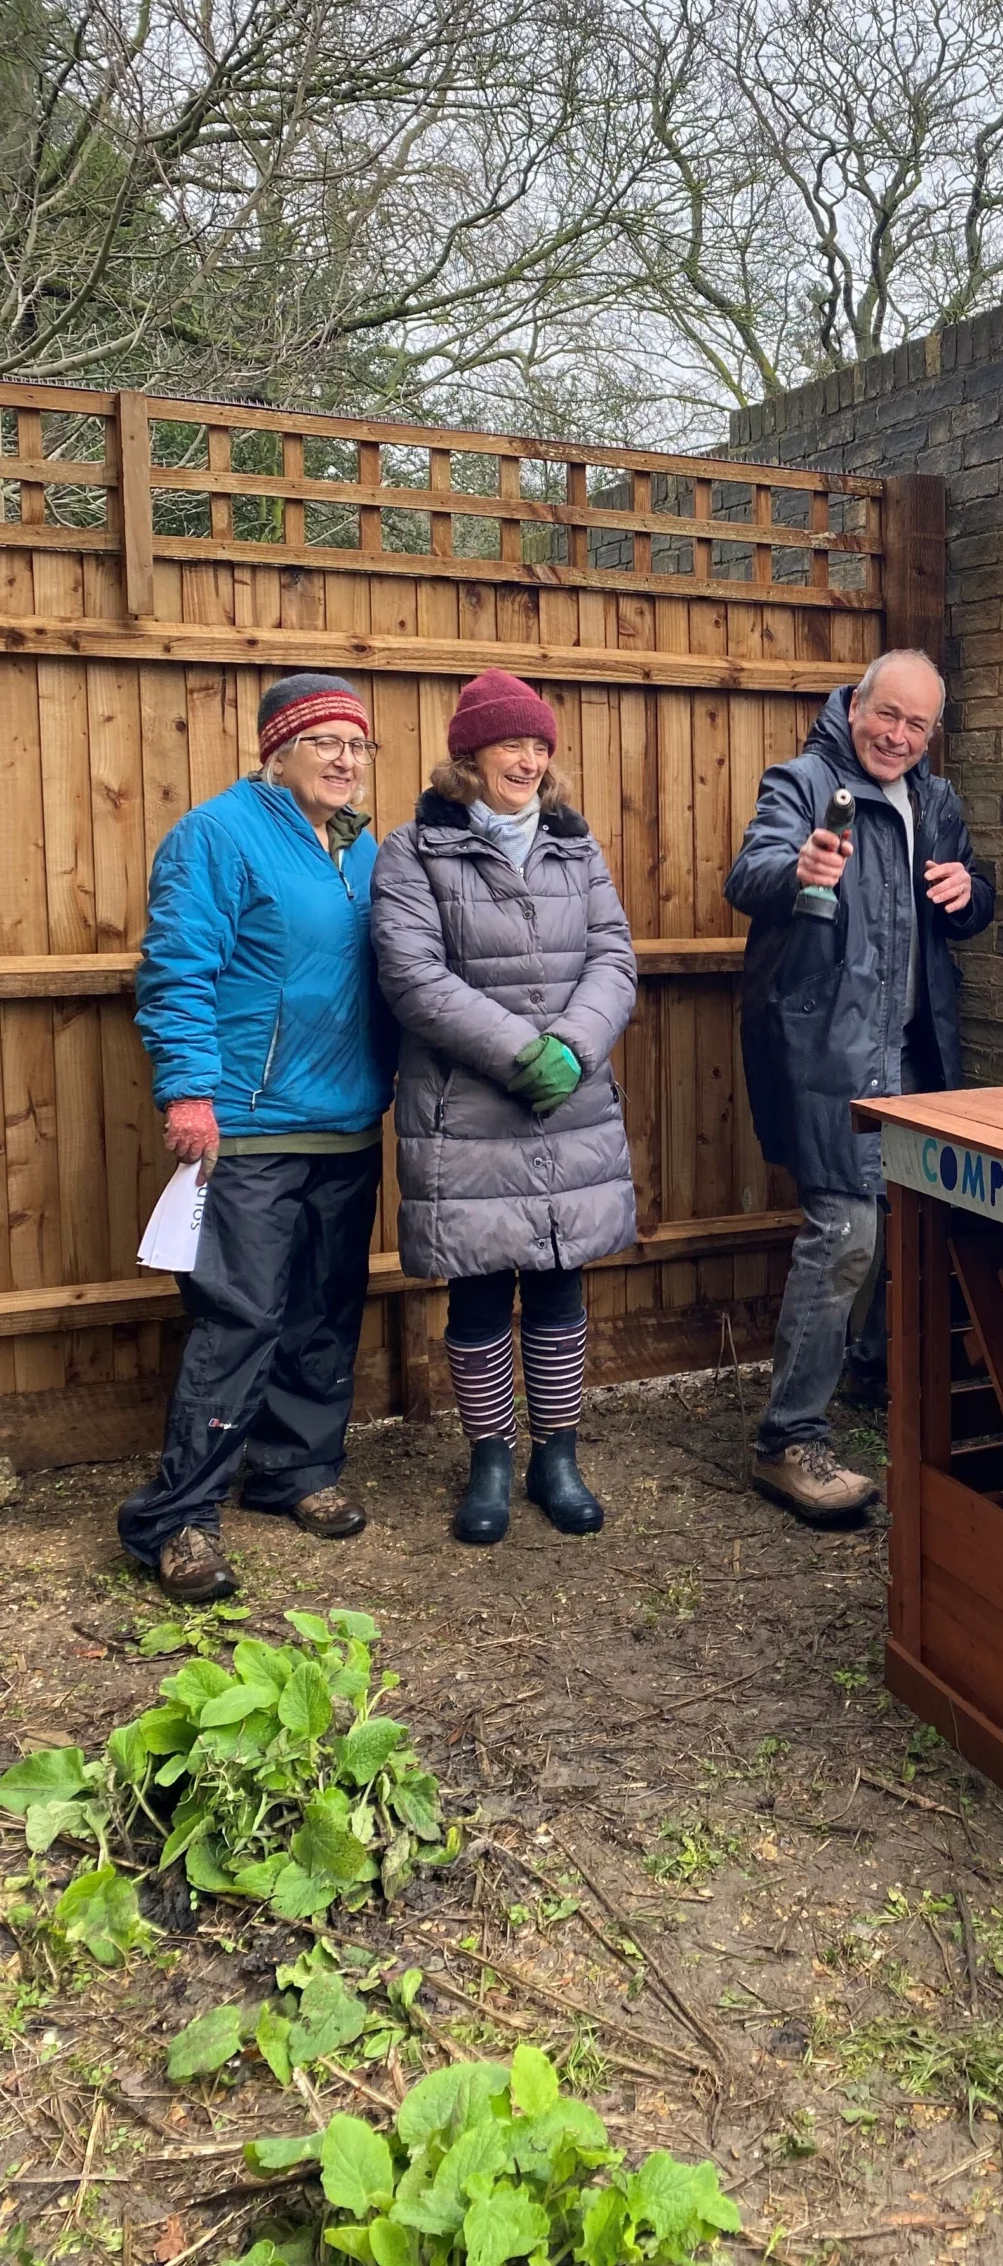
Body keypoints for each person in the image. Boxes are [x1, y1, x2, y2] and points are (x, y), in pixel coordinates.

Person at [118, 673, 393, 1602]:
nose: (347, 761)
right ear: (278, 751)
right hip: (251, 1124)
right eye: (327, 743)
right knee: (240, 1318)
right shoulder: (217, 836)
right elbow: (177, 969)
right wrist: (190, 1092)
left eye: (359, 746)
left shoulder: (362, 852)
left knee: (324, 1311)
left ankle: (295, 1472)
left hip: (348, 1121)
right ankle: (178, 1519)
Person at [727, 650, 994, 1523]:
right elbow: (749, 876)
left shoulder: (938, 800)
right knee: (843, 1230)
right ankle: (787, 1441)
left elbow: (971, 909)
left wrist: (970, 893)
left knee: (905, 1227)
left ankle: (878, 1384)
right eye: (887, 715)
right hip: (830, 1048)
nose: (898, 736)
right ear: (853, 706)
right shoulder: (802, 783)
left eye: (918, 725)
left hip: (917, 1051)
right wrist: (799, 868)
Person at [371, 670, 637, 1545]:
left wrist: (574, 1046)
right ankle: (489, 1460)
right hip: (467, 1109)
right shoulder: (415, 851)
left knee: (560, 1284)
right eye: (509, 744)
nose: (526, 760)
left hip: (572, 1103)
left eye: (538, 746)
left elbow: (613, 956)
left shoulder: (576, 847)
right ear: (469, 755)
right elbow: (412, 975)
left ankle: (556, 1456)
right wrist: (521, 1054)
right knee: (481, 1292)